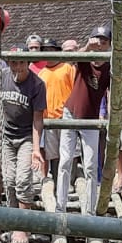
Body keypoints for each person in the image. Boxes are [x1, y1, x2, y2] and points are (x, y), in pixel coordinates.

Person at [57, 25, 113, 214]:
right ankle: (60, 206)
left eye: (104, 42)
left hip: (90, 118)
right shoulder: (84, 59)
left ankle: (89, 210)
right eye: (97, 41)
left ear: (109, 45)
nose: (100, 46)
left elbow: (114, 92)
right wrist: (88, 46)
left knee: (90, 166)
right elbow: (71, 59)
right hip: (71, 112)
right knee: (65, 161)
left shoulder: (110, 66)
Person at [0, 47, 47, 213]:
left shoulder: (37, 84)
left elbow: (38, 119)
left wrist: (36, 149)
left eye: (21, 62)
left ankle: (23, 225)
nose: (17, 66)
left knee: (23, 180)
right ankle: (13, 219)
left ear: (28, 63)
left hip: (26, 136)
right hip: (6, 136)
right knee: (9, 180)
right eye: (14, 62)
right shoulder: (2, 75)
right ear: (9, 63)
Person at [38, 39, 77, 184]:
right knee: (53, 153)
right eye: (45, 51)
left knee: (69, 151)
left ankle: (71, 181)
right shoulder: (42, 73)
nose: (48, 53)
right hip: (48, 119)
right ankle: (56, 181)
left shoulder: (67, 68)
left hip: (66, 117)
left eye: (51, 50)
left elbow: (75, 90)